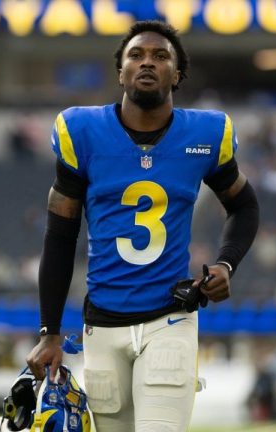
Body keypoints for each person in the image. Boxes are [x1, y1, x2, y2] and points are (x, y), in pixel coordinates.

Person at [26, 20, 260, 432]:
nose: (147, 62)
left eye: (160, 56)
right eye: (136, 55)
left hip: (169, 319)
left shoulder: (205, 134)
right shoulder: (82, 132)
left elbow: (244, 205)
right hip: (102, 325)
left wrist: (226, 264)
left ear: (177, 74)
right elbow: (60, 235)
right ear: (121, 72)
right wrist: (50, 331)